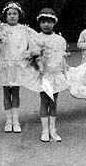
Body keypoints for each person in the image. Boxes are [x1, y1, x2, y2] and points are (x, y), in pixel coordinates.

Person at [0, 1, 34, 133]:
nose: (12, 16)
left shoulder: (24, 30)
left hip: (17, 64)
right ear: (5, 16)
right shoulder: (1, 29)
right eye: (9, 14)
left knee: (15, 92)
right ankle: (8, 121)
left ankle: (16, 120)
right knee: (6, 92)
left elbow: (32, 43)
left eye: (15, 14)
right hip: (5, 63)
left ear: (19, 15)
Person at [24, 8, 68, 142]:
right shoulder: (36, 38)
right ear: (39, 23)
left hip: (55, 73)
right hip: (43, 74)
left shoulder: (59, 39)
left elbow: (62, 58)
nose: (46, 25)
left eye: (49, 22)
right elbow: (31, 57)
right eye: (43, 22)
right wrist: (37, 64)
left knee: (53, 102)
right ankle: (45, 130)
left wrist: (64, 73)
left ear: (54, 23)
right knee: (44, 102)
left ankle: (53, 130)